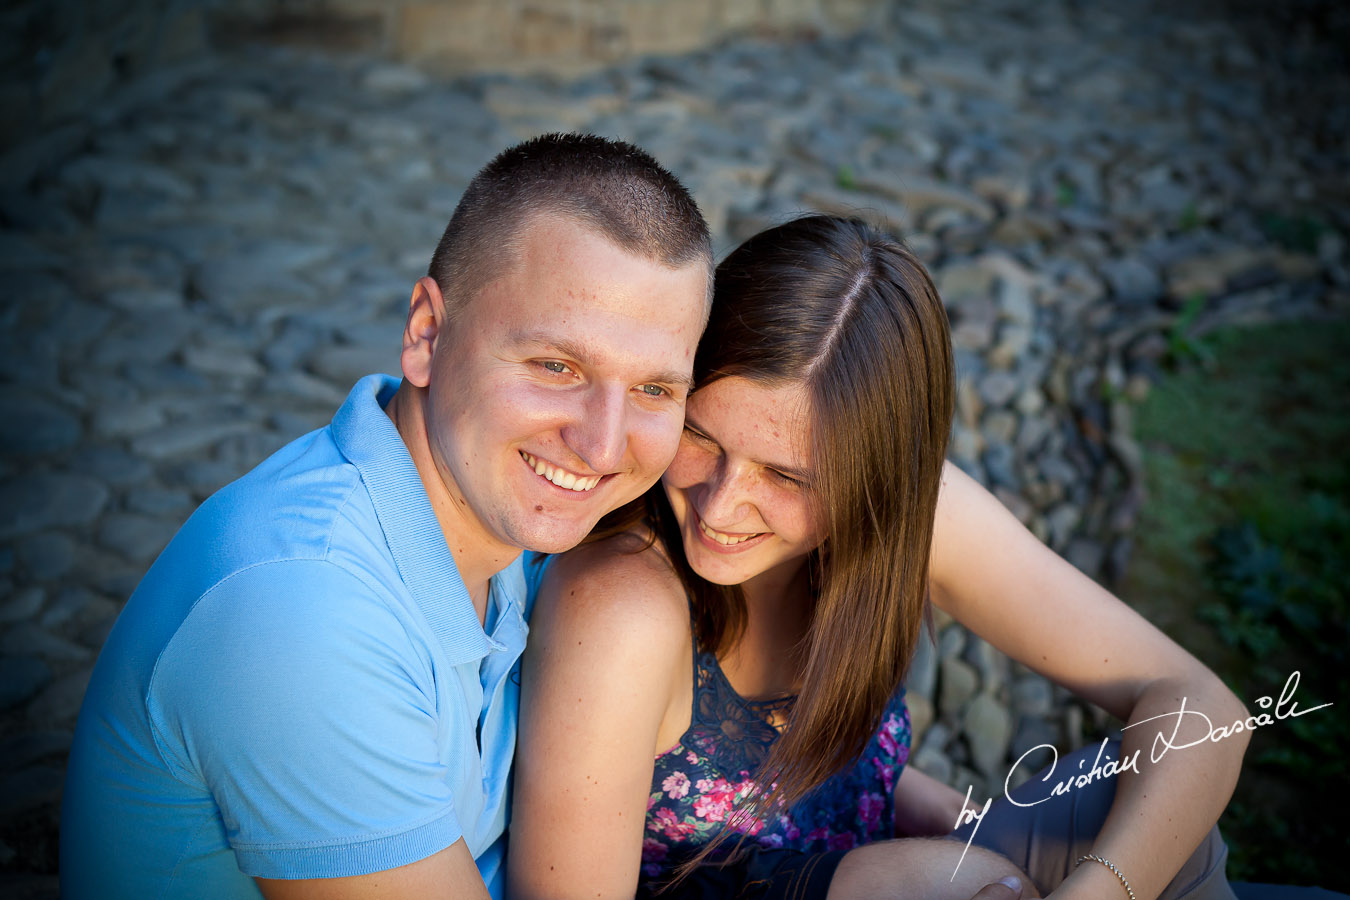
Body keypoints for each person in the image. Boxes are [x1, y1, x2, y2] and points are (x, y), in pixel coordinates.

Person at [509, 215, 1250, 900]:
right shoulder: (620, 607)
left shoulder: (905, 516)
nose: (721, 503)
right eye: (702, 436)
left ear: (880, 481)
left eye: (788, 476)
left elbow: (1197, 704)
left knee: (1128, 815)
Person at [60, 133, 714, 900]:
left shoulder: (504, 522)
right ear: (426, 335)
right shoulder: (306, 614)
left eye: (654, 391)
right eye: (555, 367)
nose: (602, 445)